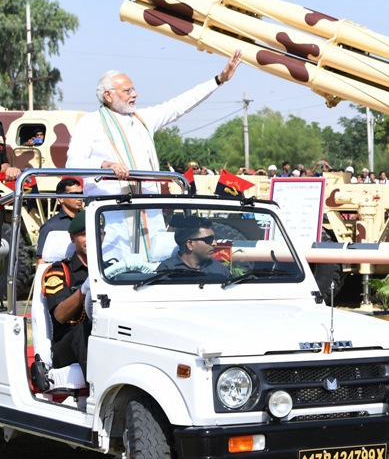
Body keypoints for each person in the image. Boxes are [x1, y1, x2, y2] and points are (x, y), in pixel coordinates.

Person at [66, 50, 242, 195]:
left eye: (133, 90)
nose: (134, 95)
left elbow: (179, 105)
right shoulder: (90, 122)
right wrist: (105, 166)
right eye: (127, 91)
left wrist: (219, 80)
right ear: (108, 95)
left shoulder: (142, 119)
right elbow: (72, 164)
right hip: (110, 211)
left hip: (148, 208)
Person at [44, 211, 91, 377]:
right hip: (66, 345)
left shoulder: (111, 270)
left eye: (96, 233)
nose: (91, 238)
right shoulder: (58, 271)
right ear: (73, 238)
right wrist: (83, 290)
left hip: (101, 336)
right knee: (84, 330)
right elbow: (60, 315)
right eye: (85, 234)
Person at [157, 217, 230, 277]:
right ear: (190, 244)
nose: (215, 243)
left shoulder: (218, 268)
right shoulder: (167, 270)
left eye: (214, 239)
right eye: (209, 239)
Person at [36, 177, 84, 264]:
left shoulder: (88, 220)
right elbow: (41, 261)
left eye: (81, 193)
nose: (79, 197)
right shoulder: (50, 227)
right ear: (61, 198)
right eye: (74, 194)